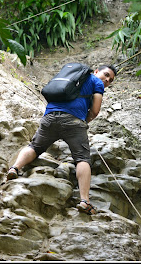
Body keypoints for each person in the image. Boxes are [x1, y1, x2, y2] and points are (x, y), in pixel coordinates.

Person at [6, 64, 117, 215]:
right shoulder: (96, 82)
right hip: (74, 122)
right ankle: (85, 201)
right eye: (106, 75)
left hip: (50, 117)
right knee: (82, 159)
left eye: (110, 80)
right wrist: (84, 121)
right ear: (96, 71)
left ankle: (15, 168)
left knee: (35, 147)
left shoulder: (69, 77)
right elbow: (96, 111)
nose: (107, 80)